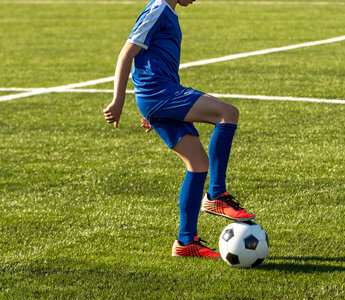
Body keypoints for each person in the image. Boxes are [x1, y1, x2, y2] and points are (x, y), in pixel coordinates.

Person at [103, 0, 255, 258]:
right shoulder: (158, 9)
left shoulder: (168, 12)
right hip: (158, 93)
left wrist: (153, 111)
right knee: (227, 113)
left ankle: (186, 242)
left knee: (198, 163)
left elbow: (153, 60)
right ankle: (216, 195)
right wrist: (119, 100)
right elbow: (126, 53)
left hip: (160, 97)